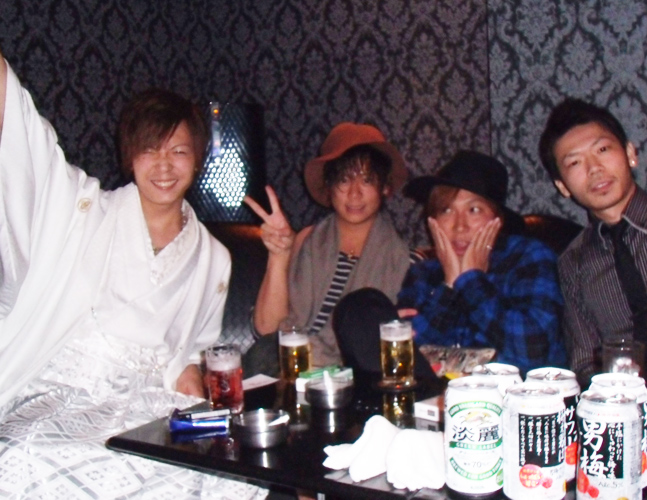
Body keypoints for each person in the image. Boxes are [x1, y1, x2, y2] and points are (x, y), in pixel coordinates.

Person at [0, 52, 266, 498]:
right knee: (30, 458)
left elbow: (188, 354)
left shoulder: (213, 258)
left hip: (146, 401)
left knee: (225, 474)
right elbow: (27, 139)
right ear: (130, 157)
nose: (164, 165)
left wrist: (191, 379)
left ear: (197, 159)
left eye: (178, 151)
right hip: (60, 391)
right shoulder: (84, 211)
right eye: (149, 150)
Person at [333, 151, 567, 376]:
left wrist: (471, 280)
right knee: (359, 305)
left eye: (474, 210)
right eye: (446, 210)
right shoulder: (423, 272)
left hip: (513, 397)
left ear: (497, 220)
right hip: (436, 399)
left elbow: (533, 350)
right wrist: (448, 286)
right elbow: (407, 358)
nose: (459, 226)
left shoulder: (527, 257)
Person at [538, 97, 647, 389]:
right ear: (562, 186)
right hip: (627, 404)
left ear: (630, 153)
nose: (594, 168)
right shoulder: (574, 263)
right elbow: (585, 363)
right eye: (575, 162)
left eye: (602, 150)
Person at [243, 122, 413, 368]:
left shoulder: (403, 261)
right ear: (329, 186)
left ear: (384, 187)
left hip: (355, 379)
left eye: (367, 180)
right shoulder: (305, 241)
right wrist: (279, 255)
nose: (354, 193)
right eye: (343, 180)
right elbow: (266, 330)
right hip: (289, 369)